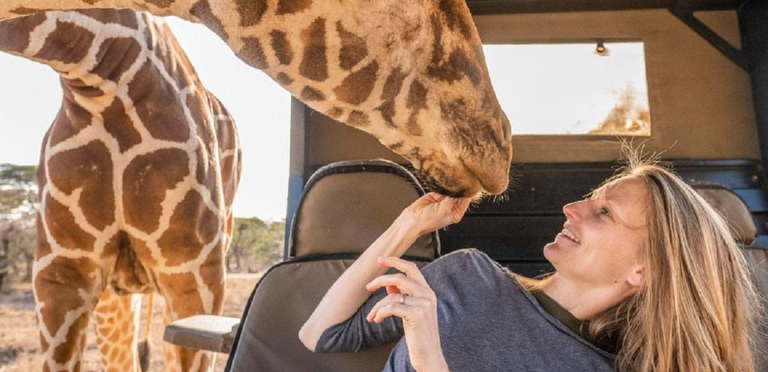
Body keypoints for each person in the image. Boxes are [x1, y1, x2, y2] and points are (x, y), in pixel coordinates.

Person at [299, 157, 761, 372]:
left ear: (644, 272)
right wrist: (407, 226)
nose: (572, 207)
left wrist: (428, 357)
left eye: (605, 213)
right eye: (590, 199)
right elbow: (319, 334)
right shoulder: (464, 275)